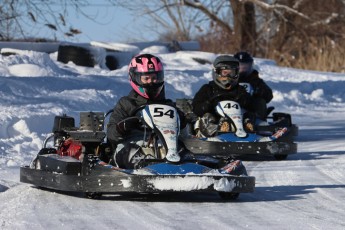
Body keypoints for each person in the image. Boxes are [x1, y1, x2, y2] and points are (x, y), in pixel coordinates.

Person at [106, 53, 184, 167]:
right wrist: (122, 127)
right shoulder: (126, 104)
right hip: (132, 145)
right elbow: (111, 134)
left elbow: (184, 131)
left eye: (154, 78)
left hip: (164, 147)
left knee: (183, 150)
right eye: (146, 78)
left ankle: (192, 174)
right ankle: (141, 176)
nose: (151, 82)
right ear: (135, 78)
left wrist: (183, 120)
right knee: (131, 153)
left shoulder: (168, 105)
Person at [192, 55, 255, 137]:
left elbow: (252, 106)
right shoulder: (208, 89)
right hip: (214, 121)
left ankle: (247, 128)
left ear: (236, 73)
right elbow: (196, 108)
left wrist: (243, 101)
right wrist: (208, 104)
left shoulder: (240, 90)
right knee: (207, 116)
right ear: (217, 72)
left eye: (231, 73)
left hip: (236, 120)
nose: (228, 77)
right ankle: (219, 130)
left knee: (247, 114)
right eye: (225, 73)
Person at [234, 51, 273, 120]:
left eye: (245, 66)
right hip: (233, 104)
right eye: (240, 66)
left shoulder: (255, 80)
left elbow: (269, 95)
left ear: (250, 66)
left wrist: (259, 91)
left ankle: (259, 122)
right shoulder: (230, 79)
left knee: (260, 102)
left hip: (251, 107)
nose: (242, 69)